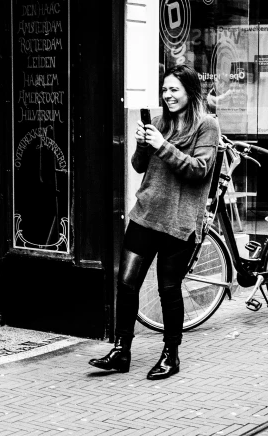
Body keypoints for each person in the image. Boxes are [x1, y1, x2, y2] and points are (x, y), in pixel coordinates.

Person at [89, 64, 220, 380]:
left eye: (174, 89)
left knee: (168, 289)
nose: (168, 95)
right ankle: (121, 351)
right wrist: (143, 144)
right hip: (145, 215)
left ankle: (170, 355)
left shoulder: (207, 126)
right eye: (164, 89)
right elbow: (137, 166)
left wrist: (163, 145)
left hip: (179, 222)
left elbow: (199, 169)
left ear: (189, 91)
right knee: (126, 283)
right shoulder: (159, 122)